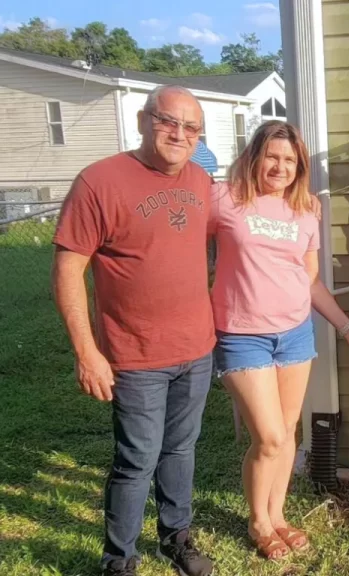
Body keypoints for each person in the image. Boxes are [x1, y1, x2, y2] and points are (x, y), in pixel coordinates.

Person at [51, 85, 217, 576]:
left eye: (190, 127)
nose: (179, 134)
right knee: (136, 460)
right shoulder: (100, 182)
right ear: (144, 119)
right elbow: (67, 271)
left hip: (197, 349)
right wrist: (87, 352)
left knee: (180, 450)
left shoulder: (202, 181)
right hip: (135, 354)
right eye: (169, 121)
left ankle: (177, 537)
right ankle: (119, 559)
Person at [208, 120, 349, 560]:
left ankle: (277, 515)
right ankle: (258, 521)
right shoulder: (224, 199)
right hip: (243, 336)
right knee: (270, 437)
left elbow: (311, 280)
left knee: (288, 433)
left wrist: (347, 328)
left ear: (299, 167)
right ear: (254, 157)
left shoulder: (305, 211)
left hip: (295, 335)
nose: (279, 167)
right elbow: (179, 247)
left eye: (289, 160)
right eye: (272, 157)